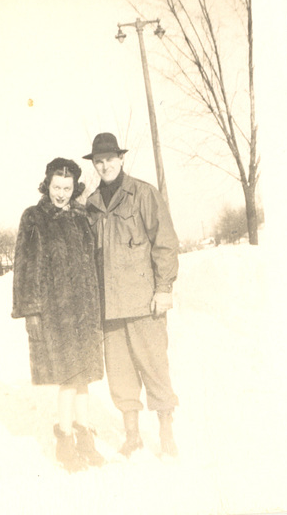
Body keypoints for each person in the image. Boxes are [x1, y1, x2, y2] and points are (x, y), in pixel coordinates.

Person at [83, 132, 179, 459]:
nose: (105, 165)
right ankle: (133, 436)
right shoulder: (92, 206)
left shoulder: (143, 194)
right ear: (94, 165)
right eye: (99, 160)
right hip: (110, 308)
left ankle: (166, 435)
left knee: (155, 368)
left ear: (121, 159)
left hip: (143, 304)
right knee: (121, 376)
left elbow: (165, 243)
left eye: (110, 158)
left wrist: (164, 289)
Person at [12, 157, 105, 473]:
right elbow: (25, 267)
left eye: (67, 188)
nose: (62, 194)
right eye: (56, 187)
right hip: (56, 312)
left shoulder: (82, 218)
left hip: (85, 310)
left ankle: (85, 438)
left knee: (84, 380)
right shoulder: (34, 218)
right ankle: (65, 441)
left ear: (74, 187)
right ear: (47, 184)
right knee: (68, 378)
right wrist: (31, 312)